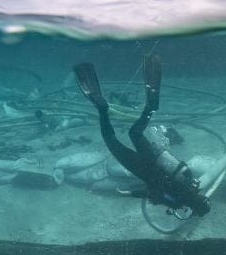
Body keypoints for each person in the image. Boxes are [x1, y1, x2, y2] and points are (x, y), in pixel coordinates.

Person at [75, 56, 210, 218]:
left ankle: (151, 107)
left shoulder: (193, 183)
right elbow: (151, 193)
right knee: (112, 142)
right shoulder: (176, 200)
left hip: (154, 155)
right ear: (193, 207)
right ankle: (102, 108)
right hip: (143, 169)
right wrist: (128, 194)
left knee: (135, 133)